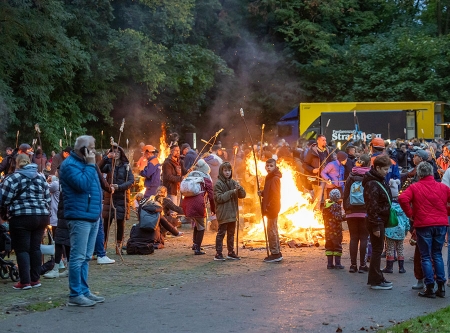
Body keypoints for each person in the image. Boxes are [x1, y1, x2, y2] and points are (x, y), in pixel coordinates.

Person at [59, 135, 105, 307]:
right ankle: (75, 294)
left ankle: (84, 291)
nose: (94, 151)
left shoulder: (86, 164)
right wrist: (92, 164)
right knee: (77, 257)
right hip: (79, 217)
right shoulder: (70, 165)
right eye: (92, 147)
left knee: (86, 257)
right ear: (83, 149)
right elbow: (83, 185)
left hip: (91, 216)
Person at [399, 162, 450, 298]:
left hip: (423, 224)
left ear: (419, 174)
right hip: (441, 224)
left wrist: (411, 214)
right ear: (432, 172)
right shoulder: (443, 188)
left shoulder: (415, 187)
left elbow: (402, 198)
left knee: (426, 256)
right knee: (437, 255)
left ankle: (429, 287)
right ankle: (441, 286)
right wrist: (446, 212)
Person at [0, 154, 51, 290]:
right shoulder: (40, 177)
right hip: (41, 216)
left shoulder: (12, 178)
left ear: (17, 164)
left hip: (21, 217)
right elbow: (47, 198)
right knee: (35, 248)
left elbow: (3, 199)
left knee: (22, 249)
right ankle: (35, 279)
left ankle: (25, 281)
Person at [362, 155, 393, 290]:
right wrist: (375, 225)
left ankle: (378, 277)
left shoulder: (377, 180)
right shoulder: (372, 183)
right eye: (385, 169)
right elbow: (372, 207)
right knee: (377, 250)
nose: (387, 172)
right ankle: (375, 280)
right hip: (377, 221)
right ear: (378, 168)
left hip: (380, 220)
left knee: (378, 249)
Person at [98, 145, 134, 254]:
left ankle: (118, 247)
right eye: (114, 152)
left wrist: (119, 186)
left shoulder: (126, 166)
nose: (116, 154)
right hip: (110, 198)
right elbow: (98, 168)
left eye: (118, 152)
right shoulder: (109, 165)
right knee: (106, 224)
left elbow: (131, 181)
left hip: (122, 198)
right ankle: (102, 247)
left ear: (121, 153)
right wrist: (106, 157)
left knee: (120, 224)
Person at [343, 154, 371, 273]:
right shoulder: (369, 176)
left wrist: (346, 209)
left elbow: (346, 194)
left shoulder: (351, 175)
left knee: (353, 238)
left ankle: (353, 265)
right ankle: (363, 265)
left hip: (351, 211)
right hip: (365, 211)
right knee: (364, 238)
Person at [213, 162, 246, 261]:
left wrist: (240, 189)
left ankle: (230, 252)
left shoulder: (233, 182)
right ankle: (218, 253)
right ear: (221, 171)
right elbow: (219, 198)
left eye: (229, 170)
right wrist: (231, 192)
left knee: (231, 234)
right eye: (225, 170)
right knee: (221, 234)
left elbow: (243, 195)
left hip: (232, 213)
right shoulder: (218, 184)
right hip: (223, 213)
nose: (227, 172)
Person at [182, 159, 215, 255]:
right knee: (201, 226)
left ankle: (195, 244)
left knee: (197, 223)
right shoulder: (205, 178)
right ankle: (197, 248)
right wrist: (213, 209)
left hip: (187, 203)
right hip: (198, 204)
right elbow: (211, 195)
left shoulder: (190, 174)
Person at [381, 179, 409, 274]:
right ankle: (401, 268)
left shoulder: (389, 206)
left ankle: (389, 267)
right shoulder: (402, 207)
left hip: (390, 230)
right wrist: (406, 229)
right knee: (400, 248)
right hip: (401, 230)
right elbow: (406, 219)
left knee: (390, 249)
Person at [258, 158, 283, 263]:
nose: (269, 168)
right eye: (267, 166)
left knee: (271, 231)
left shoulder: (275, 178)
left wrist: (269, 206)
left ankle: (275, 253)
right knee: (273, 229)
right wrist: (262, 193)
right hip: (270, 207)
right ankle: (277, 251)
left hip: (272, 208)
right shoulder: (269, 177)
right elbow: (269, 192)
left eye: (271, 166)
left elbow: (276, 195)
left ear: (275, 166)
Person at [303, 134, 331, 210]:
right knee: (317, 198)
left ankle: (327, 213)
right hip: (317, 179)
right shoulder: (312, 152)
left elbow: (331, 162)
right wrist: (313, 170)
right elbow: (305, 165)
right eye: (323, 140)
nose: (325, 142)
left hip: (327, 178)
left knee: (328, 198)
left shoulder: (328, 151)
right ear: (318, 141)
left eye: (325, 140)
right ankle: (316, 214)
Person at [323, 189, 345, 269]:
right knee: (337, 246)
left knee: (329, 247)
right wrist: (343, 217)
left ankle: (329, 264)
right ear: (338, 198)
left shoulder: (326, 206)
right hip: (336, 231)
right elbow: (337, 218)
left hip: (328, 231)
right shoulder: (336, 206)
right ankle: (337, 264)